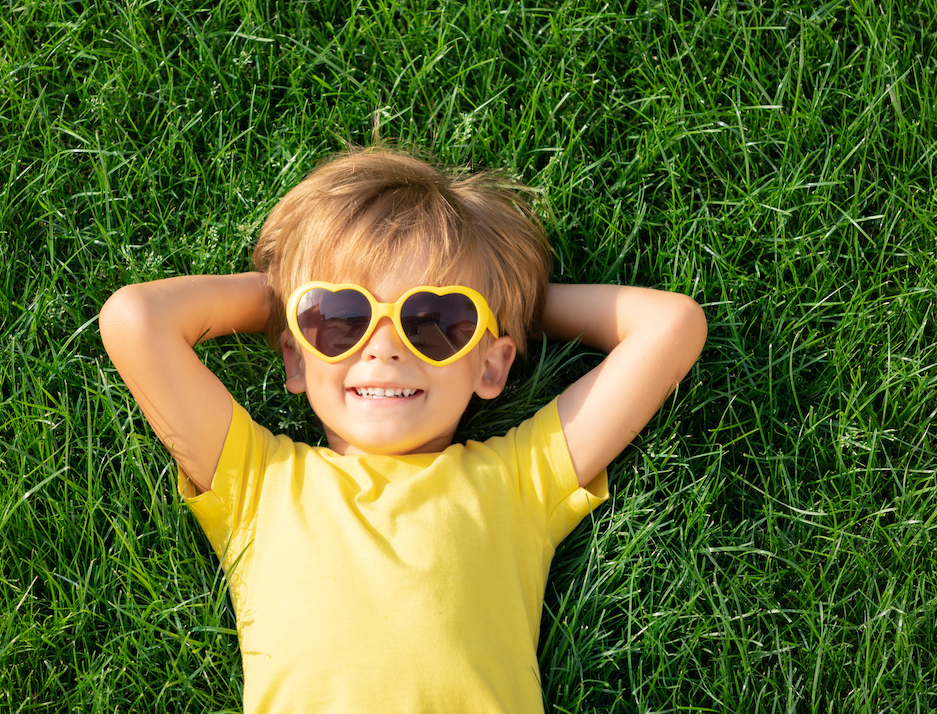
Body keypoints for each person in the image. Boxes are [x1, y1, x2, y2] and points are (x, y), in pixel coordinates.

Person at [98, 146, 707, 712]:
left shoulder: (519, 481)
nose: (383, 348)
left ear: (492, 363)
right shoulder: (259, 482)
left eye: (437, 320)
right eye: (338, 317)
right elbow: (136, 320)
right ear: (294, 356)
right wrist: (283, 294)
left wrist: (509, 302)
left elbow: (669, 325)